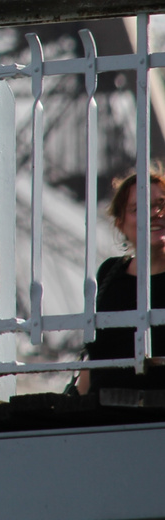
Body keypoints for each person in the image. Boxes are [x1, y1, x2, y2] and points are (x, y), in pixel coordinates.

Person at [78, 167, 165, 398]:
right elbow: (96, 352)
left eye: (162, 203)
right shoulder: (110, 273)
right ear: (120, 224)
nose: (155, 213)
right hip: (104, 410)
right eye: (138, 209)